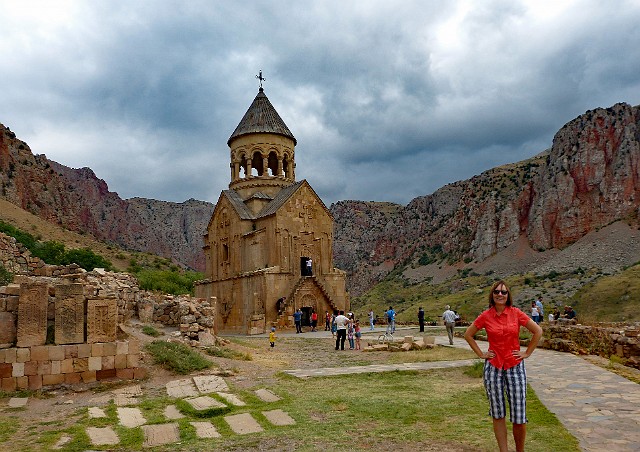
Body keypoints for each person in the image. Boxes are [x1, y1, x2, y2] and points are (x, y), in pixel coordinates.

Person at [464, 280, 542, 452]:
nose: (500, 294)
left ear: (508, 296)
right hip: (493, 367)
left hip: (515, 365)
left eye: (504, 292)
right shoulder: (485, 316)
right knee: (498, 413)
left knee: (519, 416)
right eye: (497, 292)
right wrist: (481, 354)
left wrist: (527, 353)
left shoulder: (516, 313)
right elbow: (468, 334)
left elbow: (538, 331)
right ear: (492, 295)